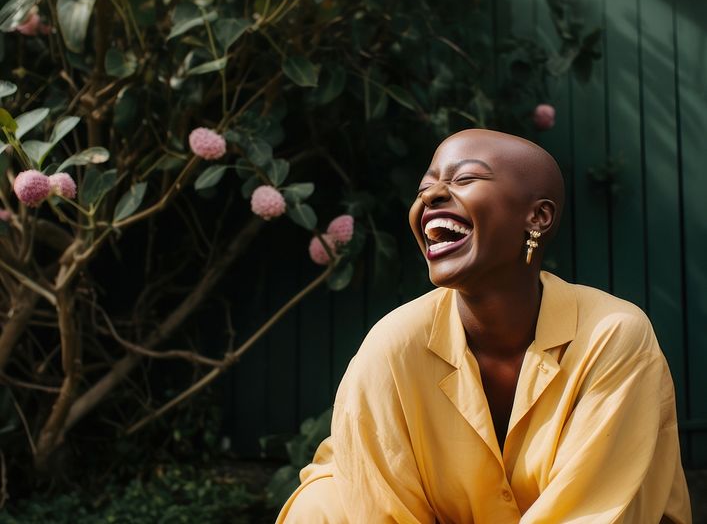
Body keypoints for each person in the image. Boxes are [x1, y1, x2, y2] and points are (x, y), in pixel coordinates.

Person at [276, 128, 692, 523]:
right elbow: (380, 506)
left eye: (466, 178)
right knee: (323, 506)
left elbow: (596, 510)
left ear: (539, 216)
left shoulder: (613, 334)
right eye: (424, 188)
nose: (433, 195)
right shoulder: (394, 344)